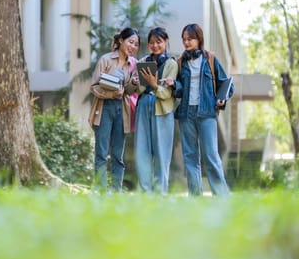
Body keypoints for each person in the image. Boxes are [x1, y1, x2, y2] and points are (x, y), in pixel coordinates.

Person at [171, 23, 234, 196]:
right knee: (190, 156)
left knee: (211, 155)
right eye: (184, 39)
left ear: (199, 39)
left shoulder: (211, 59)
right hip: (186, 113)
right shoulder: (180, 62)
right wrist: (174, 84)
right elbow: (178, 88)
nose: (186, 42)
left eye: (190, 38)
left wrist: (222, 98)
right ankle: (195, 195)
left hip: (207, 113)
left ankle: (222, 195)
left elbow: (227, 84)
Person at [88, 27, 140, 192]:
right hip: (104, 108)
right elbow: (94, 86)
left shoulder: (133, 64)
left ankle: (116, 190)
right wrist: (111, 94)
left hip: (122, 110)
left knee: (118, 155)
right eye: (130, 42)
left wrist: (133, 85)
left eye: (136, 44)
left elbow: (129, 92)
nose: (133, 46)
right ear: (120, 41)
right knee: (102, 153)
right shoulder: (106, 60)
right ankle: (102, 191)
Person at [135, 27, 178, 194]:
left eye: (159, 42)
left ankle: (160, 193)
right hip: (143, 106)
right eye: (151, 42)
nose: (155, 45)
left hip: (162, 110)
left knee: (162, 153)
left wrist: (154, 84)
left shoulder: (171, 64)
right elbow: (138, 90)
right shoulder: (143, 61)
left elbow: (167, 93)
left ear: (166, 42)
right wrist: (137, 82)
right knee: (142, 152)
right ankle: (146, 192)